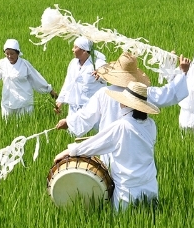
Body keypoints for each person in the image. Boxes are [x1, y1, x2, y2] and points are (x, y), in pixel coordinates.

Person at [54, 81, 160, 211]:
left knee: (125, 226)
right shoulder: (151, 125)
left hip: (127, 192)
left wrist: (69, 151)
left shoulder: (121, 126)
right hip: (150, 187)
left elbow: (93, 145)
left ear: (126, 104)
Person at [57, 52, 189, 142]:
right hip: (135, 144)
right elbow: (167, 94)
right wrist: (183, 72)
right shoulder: (141, 92)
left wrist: (68, 122)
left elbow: (86, 115)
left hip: (109, 144)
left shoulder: (104, 93)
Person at [0, 39, 55, 118]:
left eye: (12, 54)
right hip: (7, 101)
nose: (9, 56)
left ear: (17, 53)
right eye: (7, 54)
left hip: (24, 102)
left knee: (24, 125)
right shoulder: (2, 63)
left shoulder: (24, 64)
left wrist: (50, 90)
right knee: (7, 126)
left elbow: (36, 78)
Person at [56, 37, 107, 114]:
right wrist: (60, 100)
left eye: (75, 47)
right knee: (73, 125)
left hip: (91, 108)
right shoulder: (73, 63)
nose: (72, 50)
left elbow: (106, 73)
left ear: (84, 50)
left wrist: (100, 74)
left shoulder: (97, 63)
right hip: (74, 106)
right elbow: (68, 82)